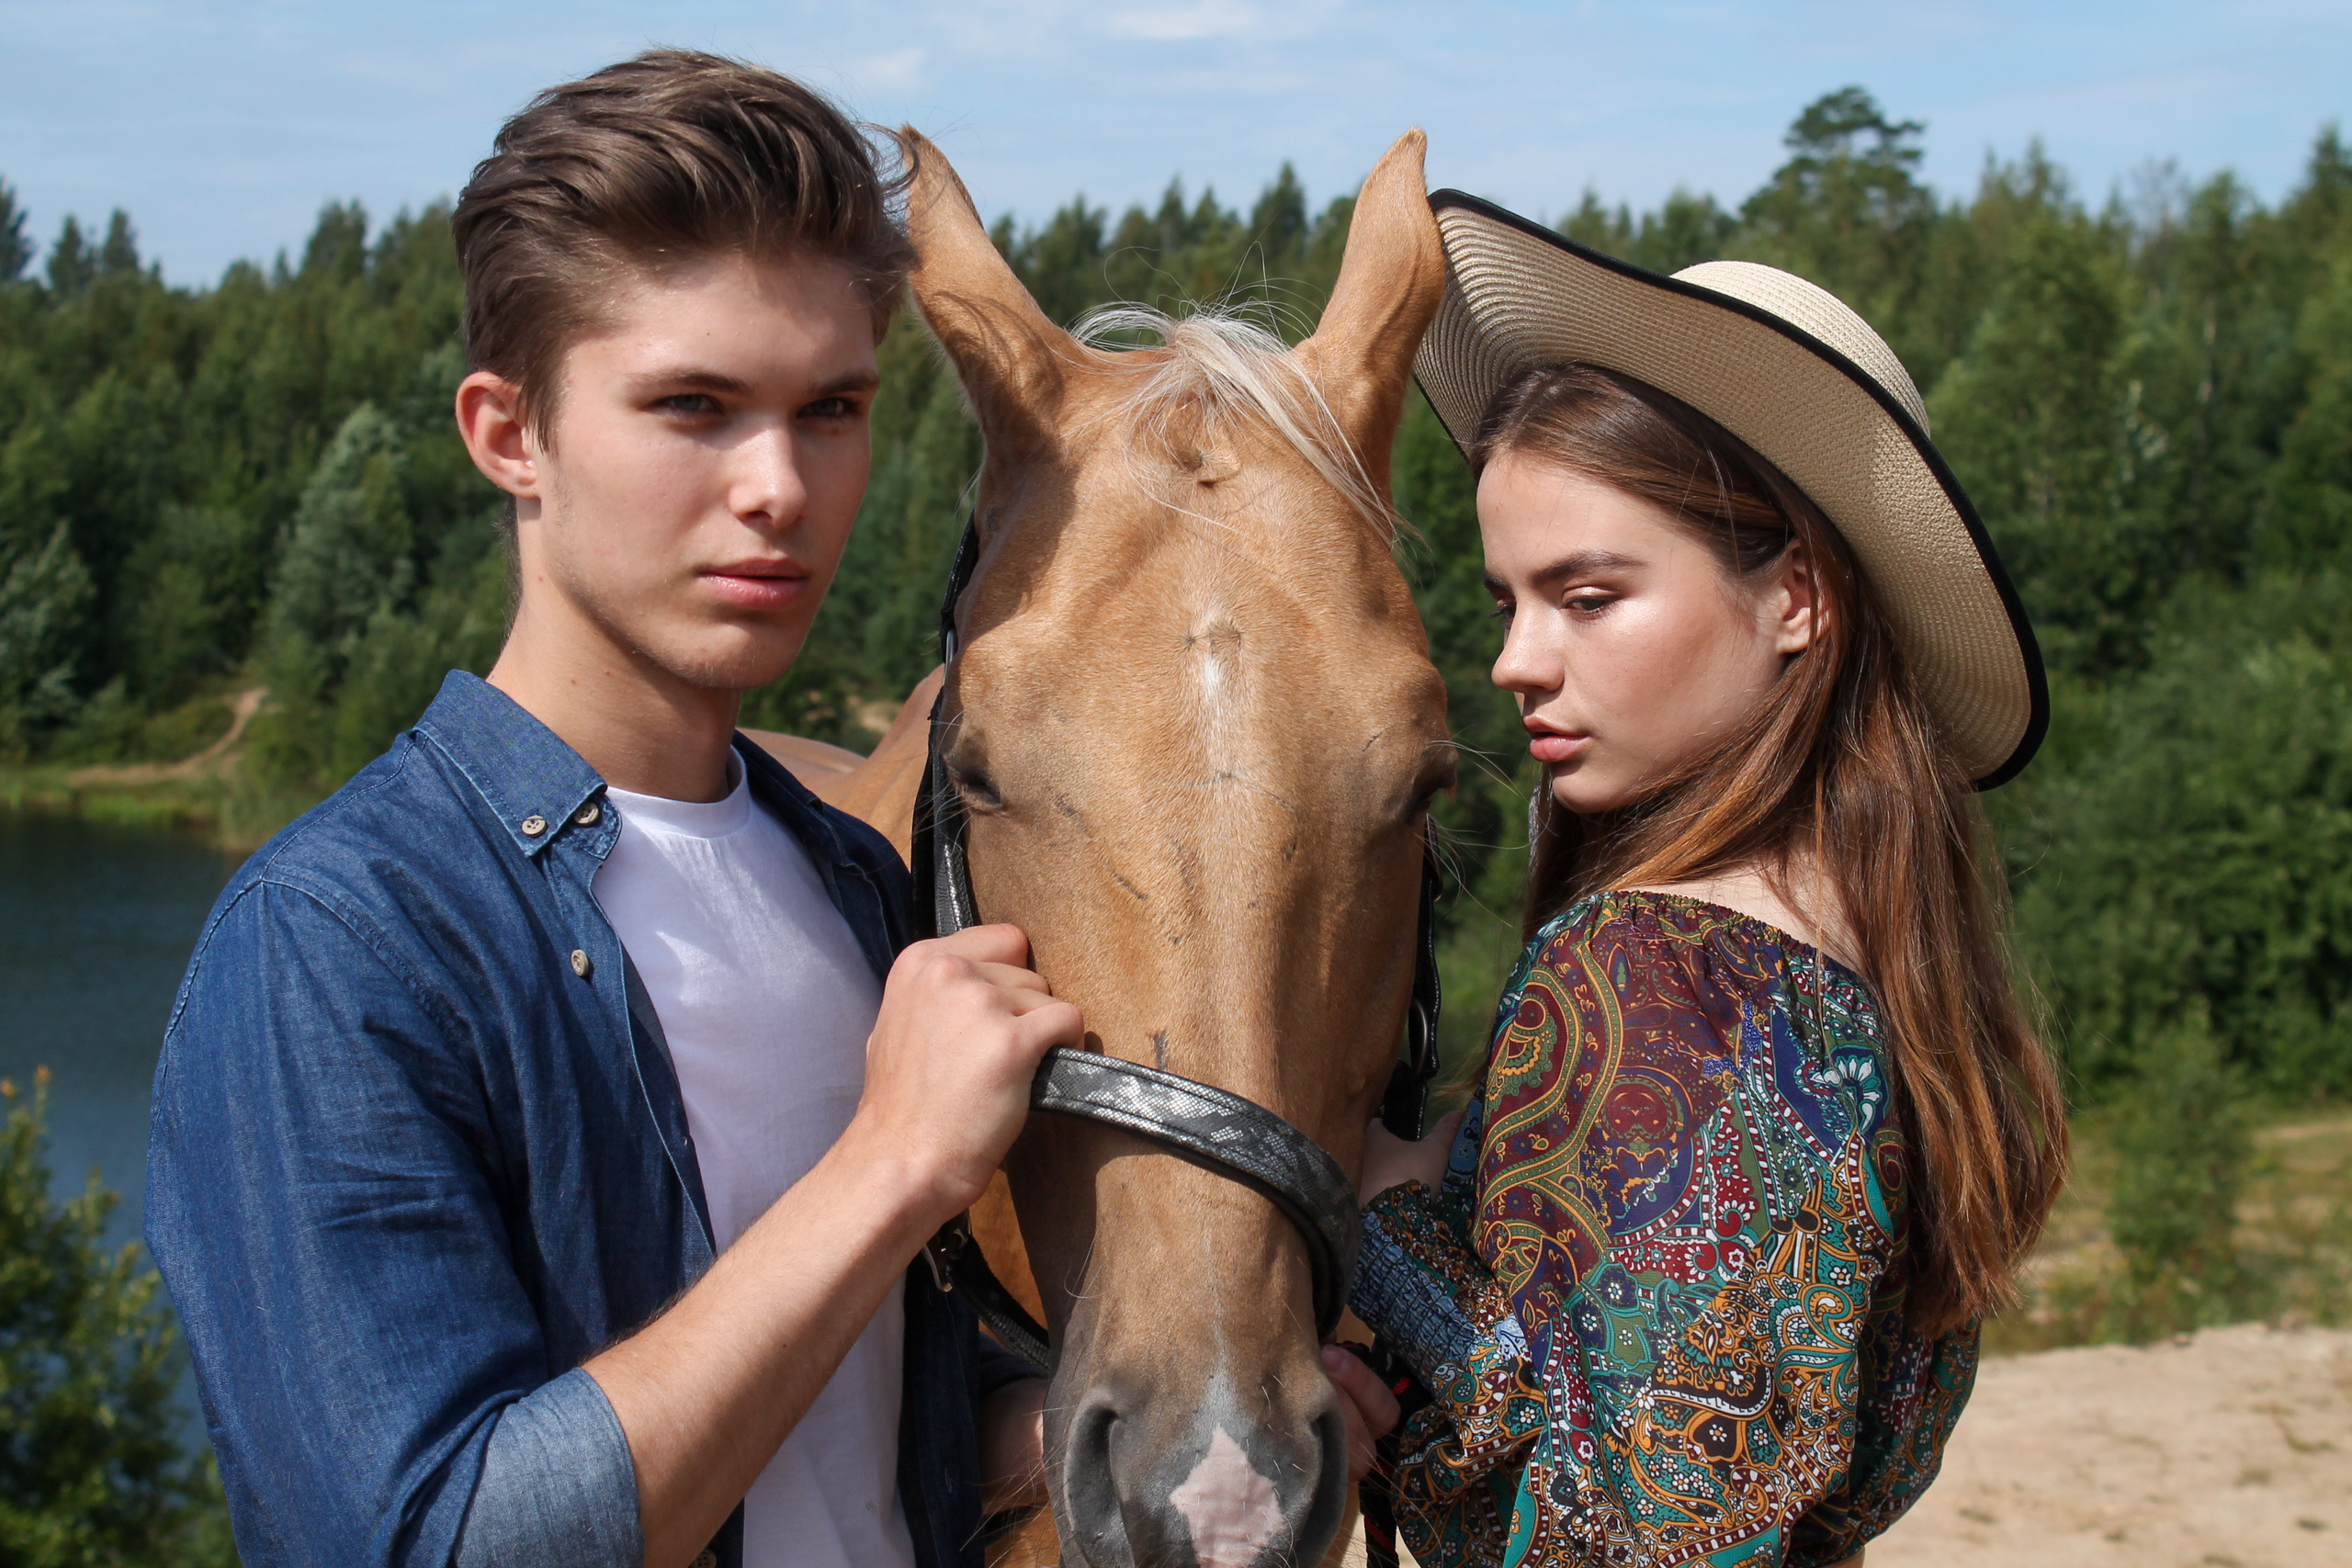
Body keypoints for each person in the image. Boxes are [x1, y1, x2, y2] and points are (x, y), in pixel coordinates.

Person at [148, 51, 1401, 1568]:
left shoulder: (861, 887)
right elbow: (436, 1542)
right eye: (693, 405)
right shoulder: (338, 944)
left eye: (830, 408)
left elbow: (849, 1423)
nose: (779, 487)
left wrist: (1101, 1430)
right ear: (508, 433)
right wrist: (890, 1165)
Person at [1352, 197, 2069, 1567]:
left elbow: (1634, 1528)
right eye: (1509, 600)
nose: (1515, 660)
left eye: (1589, 595)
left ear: (1796, 594)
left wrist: (1377, 1213)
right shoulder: (1882, 985)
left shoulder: (1653, 967)